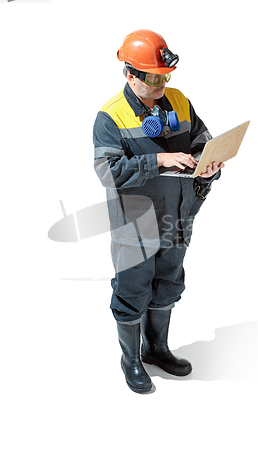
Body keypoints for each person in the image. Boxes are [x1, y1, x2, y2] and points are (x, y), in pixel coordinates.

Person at [93, 29, 224, 394]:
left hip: (178, 214)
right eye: (153, 76)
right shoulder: (111, 117)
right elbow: (108, 171)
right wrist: (159, 158)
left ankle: (156, 349)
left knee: (168, 282)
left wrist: (206, 161)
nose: (162, 83)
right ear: (130, 73)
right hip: (136, 223)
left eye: (165, 75)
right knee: (133, 287)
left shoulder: (179, 101)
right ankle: (130, 360)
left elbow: (201, 138)